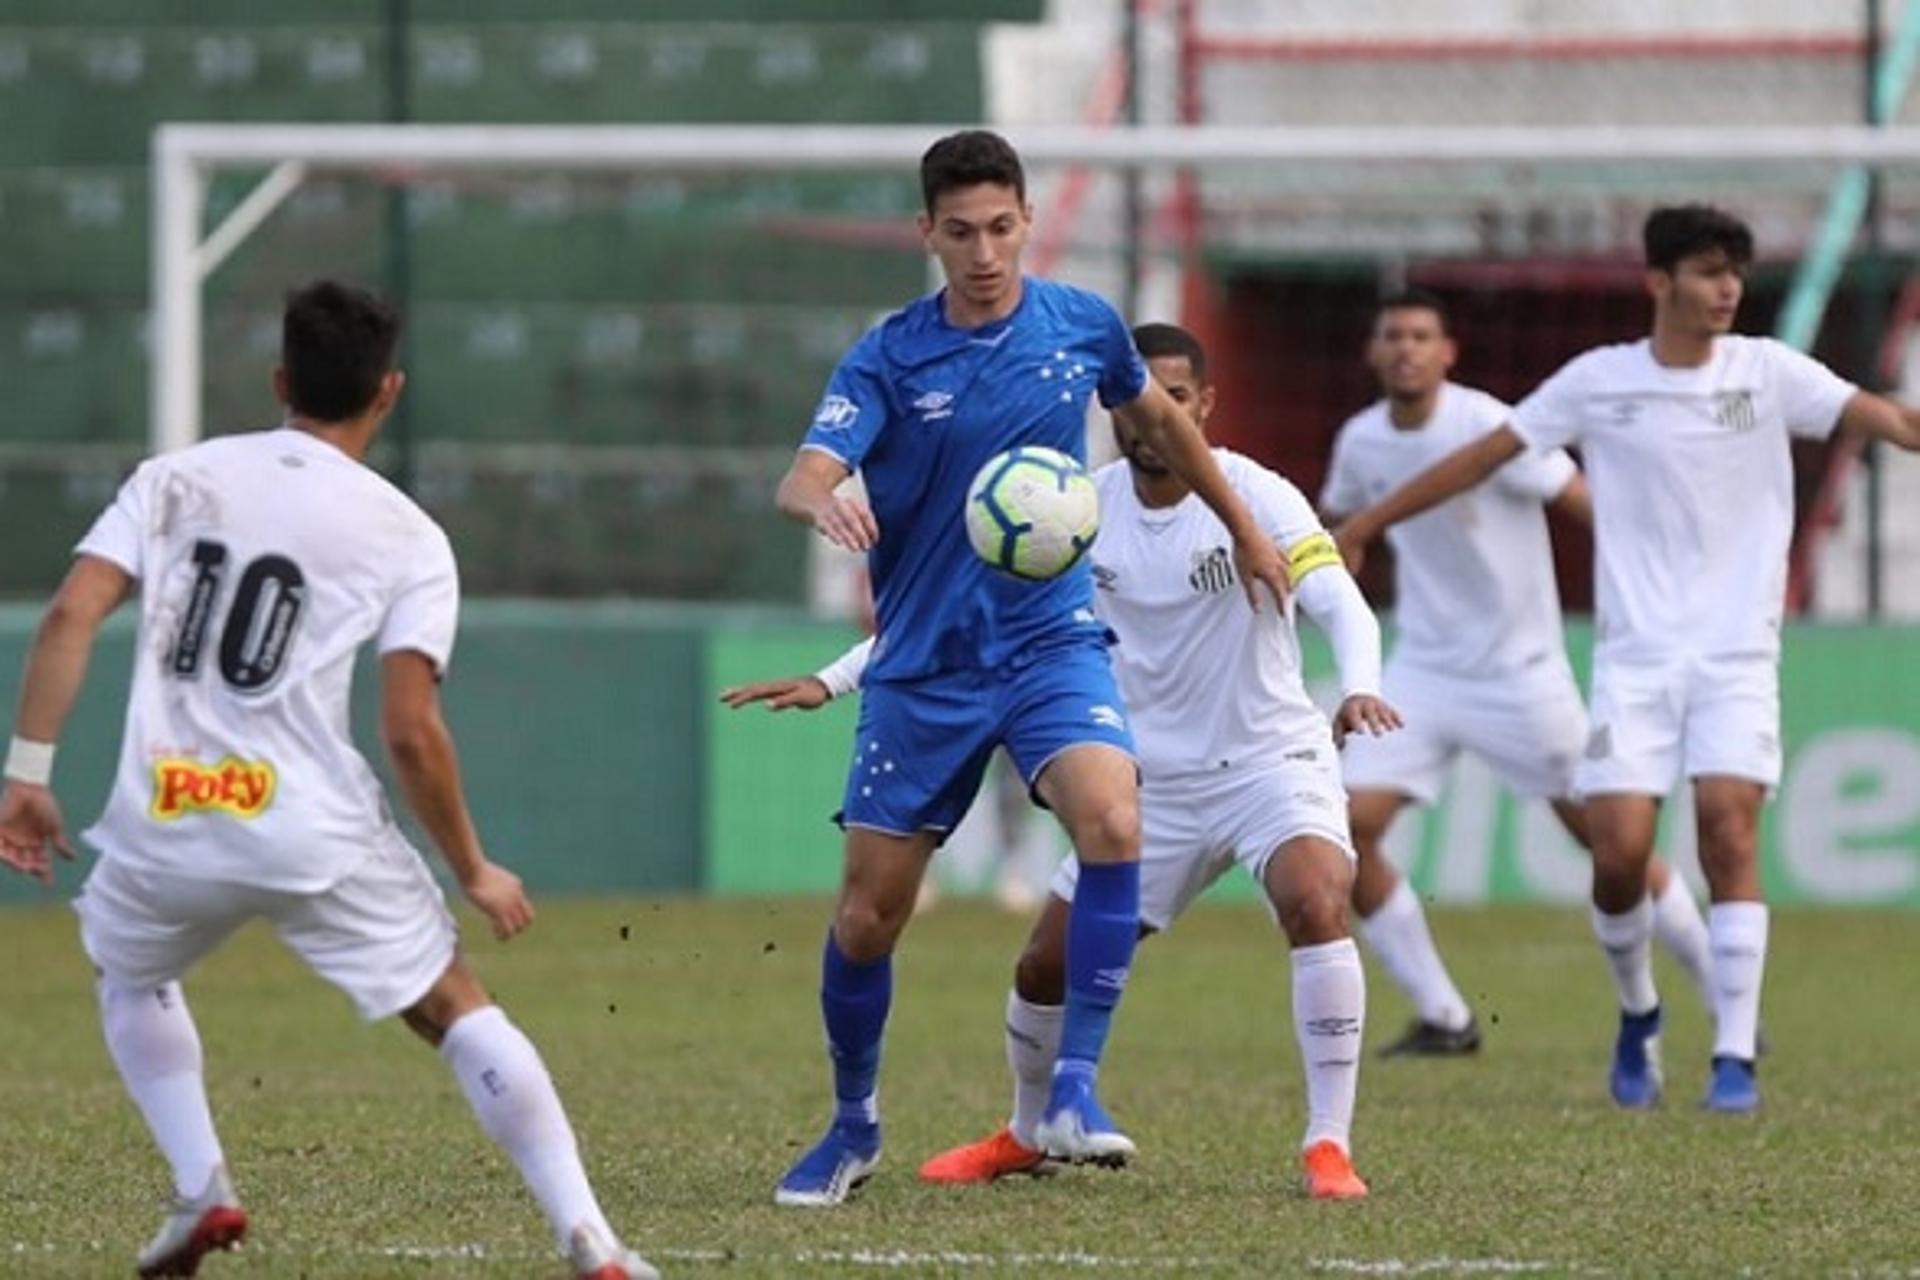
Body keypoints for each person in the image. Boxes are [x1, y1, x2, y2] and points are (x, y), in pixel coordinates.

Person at [0, 282, 655, 1279]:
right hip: (306, 823)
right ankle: (591, 1240)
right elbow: (409, 729)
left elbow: (69, 614)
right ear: (386, 391)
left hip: (170, 811)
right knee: (451, 1004)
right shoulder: (407, 535)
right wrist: (472, 866)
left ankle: (202, 1183)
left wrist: (28, 770)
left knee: (127, 970)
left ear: (279, 380)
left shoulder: (174, 478)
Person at [731, 322, 1394, 1199]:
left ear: (1202, 407)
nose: (1151, 420)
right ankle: (1028, 1127)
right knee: (1044, 965)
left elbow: (1339, 600)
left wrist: (1358, 684)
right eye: (1137, 402)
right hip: (1146, 781)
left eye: (1177, 400)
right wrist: (835, 678)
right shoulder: (1065, 508)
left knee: (1316, 898)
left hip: (1270, 761)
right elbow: (966, 625)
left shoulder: (1254, 495)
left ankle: (1327, 1147)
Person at [766, 131, 1290, 1206]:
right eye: (960, 232)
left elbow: (1159, 425)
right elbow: (805, 472)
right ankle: (852, 1121)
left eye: (1001, 227)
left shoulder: (1083, 325)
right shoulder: (887, 356)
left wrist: (1241, 522)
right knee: (869, 916)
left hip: (1051, 639)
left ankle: (1074, 1089)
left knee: (1114, 821)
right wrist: (823, 497)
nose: (985, 251)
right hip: (924, 662)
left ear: (1027, 221)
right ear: (929, 233)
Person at [1334, 205, 1920, 1113]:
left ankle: (1733, 1055)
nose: (1727, 288)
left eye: (1736, 272)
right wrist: (1364, 525)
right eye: (1707, 271)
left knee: (1729, 828)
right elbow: (1482, 459)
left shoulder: (1768, 372)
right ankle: (1635, 1010)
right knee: (1616, 857)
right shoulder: (1597, 382)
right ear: (1659, 283)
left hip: (1723, 654)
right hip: (1628, 661)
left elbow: (1885, 417)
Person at [1320, 289, 1717, 1057]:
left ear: (1447, 353)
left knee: (1613, 846)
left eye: (1421, 336)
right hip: (1423, 670)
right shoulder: (1360, 440)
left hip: (1520, 674)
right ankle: (1445, 1016)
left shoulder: (1489, 427)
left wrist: (1664, 568)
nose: (1406, 348)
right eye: (1393, 335)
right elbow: (1334, 526)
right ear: (1372, 353)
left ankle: (1722, 996)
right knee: (1340, 832)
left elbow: (1583, 500)